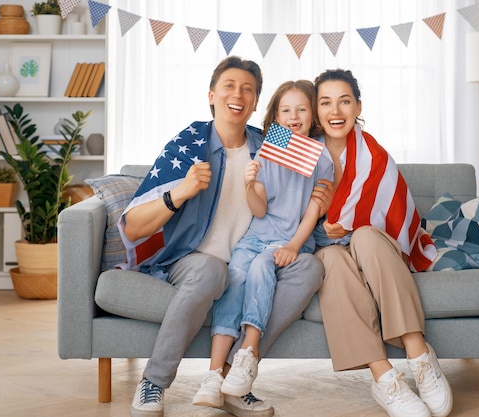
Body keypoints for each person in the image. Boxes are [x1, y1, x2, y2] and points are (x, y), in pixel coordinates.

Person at [119, 57, 333, 417]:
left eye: (248, 89)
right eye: (230, 86)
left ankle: (233, 379)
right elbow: (132, 227)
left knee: (310, 268)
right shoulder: (190, 143)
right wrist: (181, 191)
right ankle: (153, 381)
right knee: (214, 271)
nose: (238, 94)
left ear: (255, 104)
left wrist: (325, 200)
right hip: (198, 258)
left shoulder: (269, 141)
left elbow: (313, 146)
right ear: (212, 96)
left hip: (260, 251)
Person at [312, 69, 453, 417]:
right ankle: (385, 378)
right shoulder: (303, 151)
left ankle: (420, 356)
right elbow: (285, 207)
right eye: (325, 102)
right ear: (315, 110)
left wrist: (349, 224)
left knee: (363, 235)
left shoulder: (373, 154)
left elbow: (390, 216)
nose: (335, 111)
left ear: (358, 105)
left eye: (344, 101)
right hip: (327, 248)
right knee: (330, 259)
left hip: (374, 248)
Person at [193, 80, 333, 411]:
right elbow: (259, 209)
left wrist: (294, 246)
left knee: (260, 267)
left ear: (312, 115)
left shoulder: (320, 155)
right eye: (286, 110)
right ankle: (214, 374)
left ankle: (247, 353)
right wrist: (250, 183)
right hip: (256, 235)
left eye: (302, 109)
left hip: (287, 240)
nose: (293, 116)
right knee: (237, 275)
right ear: (275, 116)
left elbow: (314, 209)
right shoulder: (273, 144)